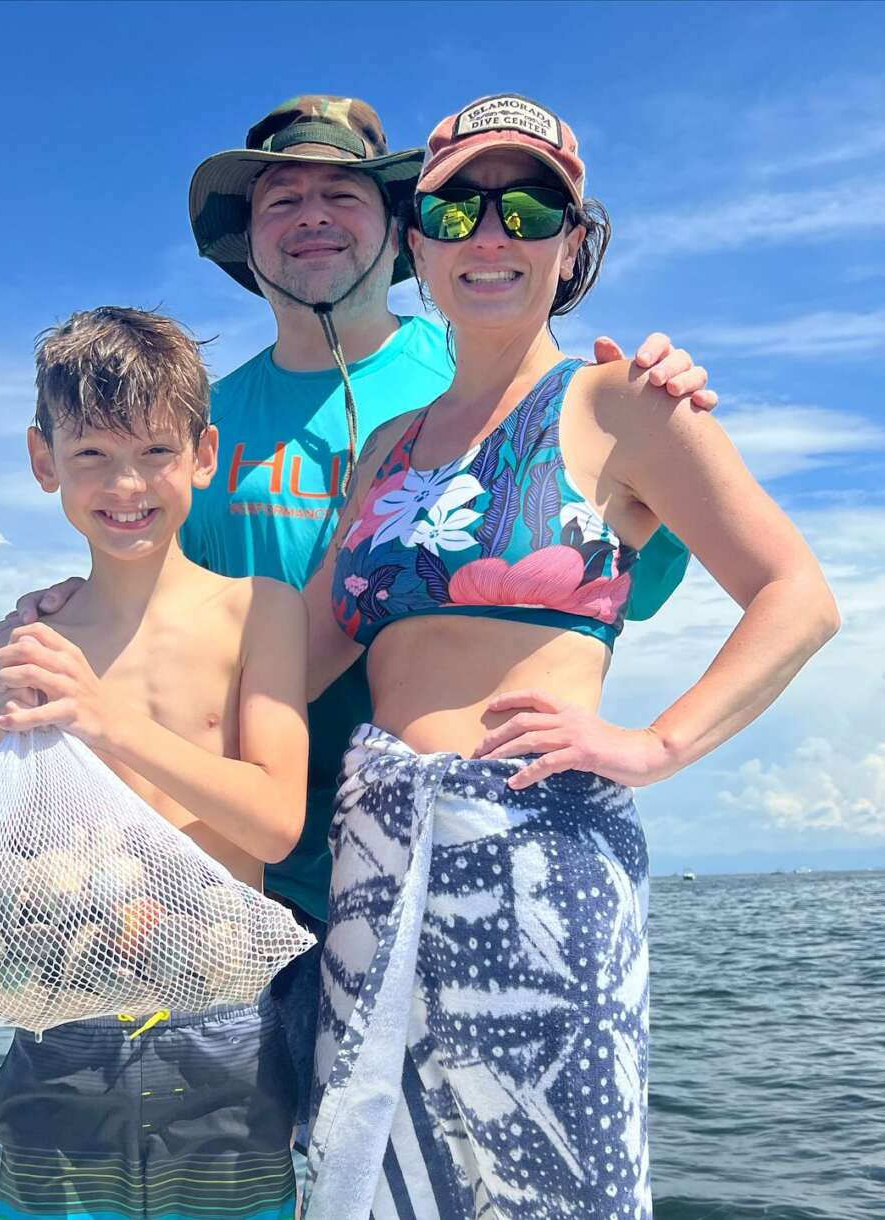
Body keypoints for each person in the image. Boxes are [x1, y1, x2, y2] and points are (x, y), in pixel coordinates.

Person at [0, 96, 716, 1152]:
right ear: (247, 238)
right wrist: (48, 617)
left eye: (341, 192)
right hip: (222, 881)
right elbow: (148, 584)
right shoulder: (191, 423)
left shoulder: (481, 381)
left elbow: (621, 586)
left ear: (401, 229)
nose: (311, 214)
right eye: (282, 196)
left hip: (446, 861)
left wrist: (657, 421)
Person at [297, 94, 839, 1220]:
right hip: (376, 857)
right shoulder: (380, 454)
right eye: (454, 211)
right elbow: (283, 662)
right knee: (370, 1182)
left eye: (528, 206)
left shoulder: (622, 402)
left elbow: (795, 597)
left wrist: (651, 743)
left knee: (560, 1185)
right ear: (415, 243)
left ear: (572, 242)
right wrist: (97, 623)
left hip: (541, 852)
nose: (488, 236)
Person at [0, 306, 311, 1220]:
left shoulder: (261, 611)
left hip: (225, 1034)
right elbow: (10, 848)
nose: (127, 483)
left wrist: (108, 720)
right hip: (63, 1029)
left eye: (156, 452)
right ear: (44, 461)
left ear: (205, 455)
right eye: (91, 456)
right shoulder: (26, 639)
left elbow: (278, 819)